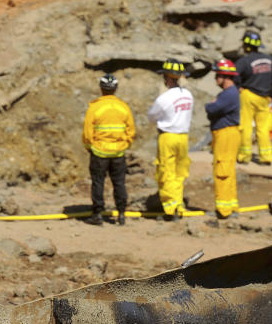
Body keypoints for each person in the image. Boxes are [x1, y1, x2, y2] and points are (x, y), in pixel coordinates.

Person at [81, 73, 135, 226]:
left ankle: (97, 214)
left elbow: (87, 132)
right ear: (116, 89)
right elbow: (130, 131)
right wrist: (125, 145)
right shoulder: (123, 107)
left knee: (98, 182)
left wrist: (88, 147)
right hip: (118, 152)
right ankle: (122, 214)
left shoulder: (95, 107)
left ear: (101, 88)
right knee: (119, 182)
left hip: (99, 152)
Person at [147, 58, 194, 221]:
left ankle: (169, 208)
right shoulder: (188, 95)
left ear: (166, 78)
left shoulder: (164, 98)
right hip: (183, 137)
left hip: (167, 137)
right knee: (179, 172)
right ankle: (179, 204)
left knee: (166, 172)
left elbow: (152, 117)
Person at [236, 30, 272, 165]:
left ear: (246, 45)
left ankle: (244, 156)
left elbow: (233, 76)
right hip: (265, 98)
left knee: (245, 127)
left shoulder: (244, 61)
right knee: (263, 129)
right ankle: (266, 157)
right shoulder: (269, 60)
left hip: (248, 96)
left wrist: (238, 87)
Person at [206, 59, 242, 219]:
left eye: (217, 75)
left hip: (226, 135)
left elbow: (212, 108)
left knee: (222, 171)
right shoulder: (228, 93)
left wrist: (211, 105)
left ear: (225, 76)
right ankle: (231, 206)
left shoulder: (229, 94)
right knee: (227, 170)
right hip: (226, 134)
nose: (215, 79)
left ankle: (223, 210)